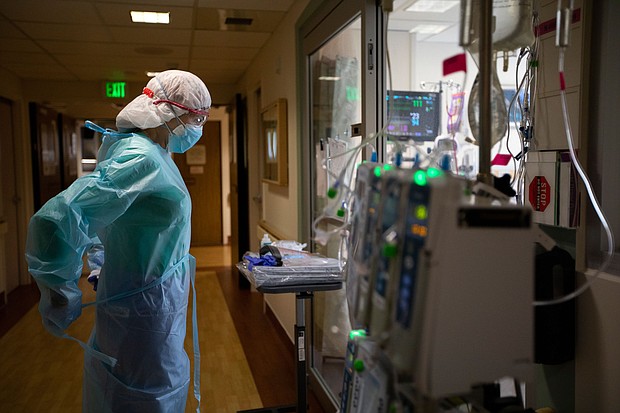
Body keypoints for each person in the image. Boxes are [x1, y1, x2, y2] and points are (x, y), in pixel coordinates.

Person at [25, 69, 211, 413]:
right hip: (144, 309)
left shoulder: (152, 153)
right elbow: (57, 218)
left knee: (143, 389)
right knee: (144, 395)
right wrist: (59, 291)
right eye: (196, 118)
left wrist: (99, 263)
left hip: (145, 299)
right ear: (170, 112)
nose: (197, 128)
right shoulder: (142, 158)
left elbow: (109, 217)